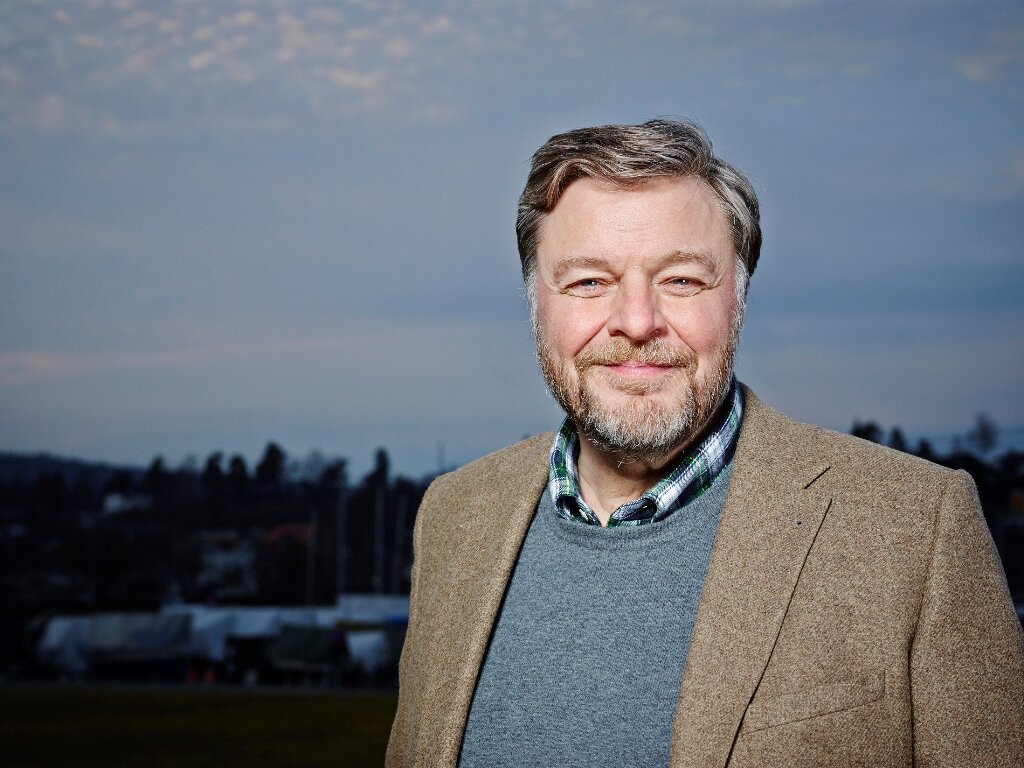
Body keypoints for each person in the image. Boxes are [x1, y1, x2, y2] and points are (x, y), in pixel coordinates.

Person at [385, 120, 1024, 767]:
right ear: (536, 305)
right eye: (589, 282)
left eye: (682, 280)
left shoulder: (918, 528)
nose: (637, 322)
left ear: (738, 300)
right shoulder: (453, 517)